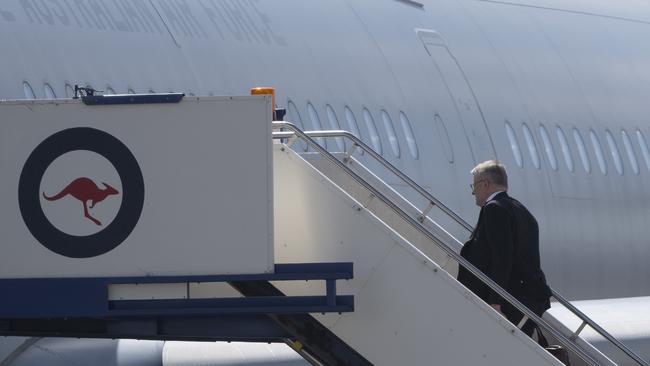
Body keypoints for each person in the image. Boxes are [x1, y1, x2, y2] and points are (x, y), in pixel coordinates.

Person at [457, 160, 551, 337]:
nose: (473, 192)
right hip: (527, 297)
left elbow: (502, 258)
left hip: (509, 301)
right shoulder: (519, 208)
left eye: (474, 185)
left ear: (485, 184)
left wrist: (495, 301)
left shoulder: (494, 209)